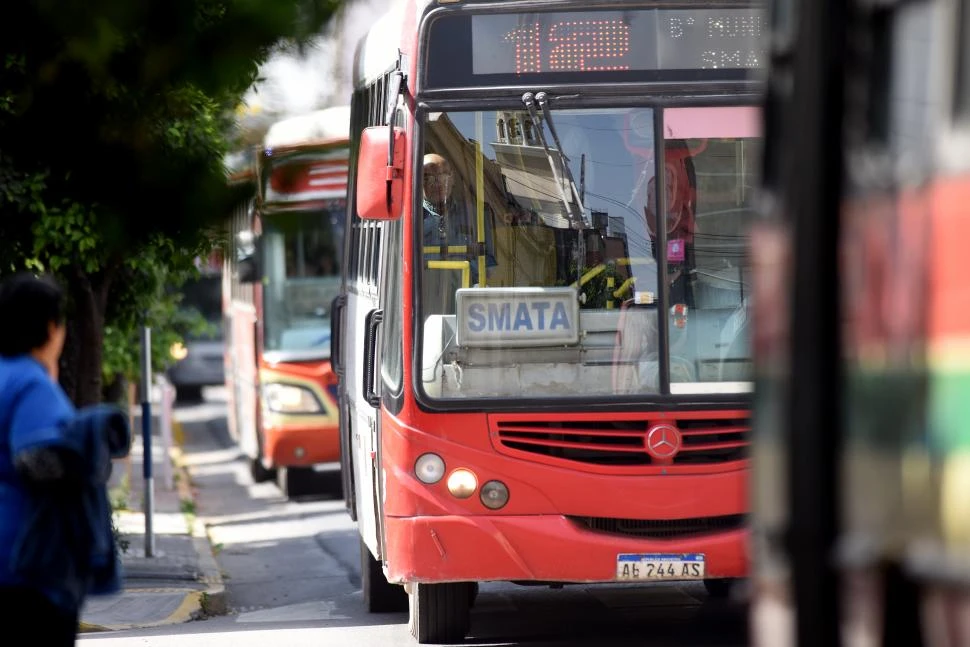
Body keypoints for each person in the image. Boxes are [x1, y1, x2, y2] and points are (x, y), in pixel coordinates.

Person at [0, 272, 130, 645]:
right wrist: (86, 458)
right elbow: (35, 457)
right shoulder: (30, 384)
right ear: (50, 327)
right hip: (27, 569)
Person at [421, 152, 497, 287]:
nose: (439, 183)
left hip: (466, 295)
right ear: (416, 181)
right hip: (421, 296)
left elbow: (489, 268)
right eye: (429, 178)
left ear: (453, 178)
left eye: (444, 176)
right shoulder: (407, 219)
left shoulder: (475, 215)